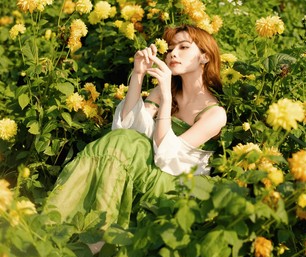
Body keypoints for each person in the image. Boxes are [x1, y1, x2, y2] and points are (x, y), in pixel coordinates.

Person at [43, 24, 227, 239]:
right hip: (147, 169)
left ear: (205, 57)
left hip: (173, 184)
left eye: (184, 47)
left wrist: (166, 97)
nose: (173, 54)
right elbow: (128, 128)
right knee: (121, 140)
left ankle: (92, 233)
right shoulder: (163, 91)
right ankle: (72, 230)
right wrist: (138, 75)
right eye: (170, 49)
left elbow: (167, 155)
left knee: (123, 142)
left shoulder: (215, 114)